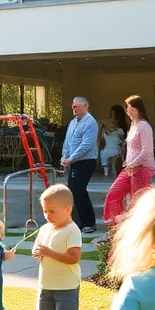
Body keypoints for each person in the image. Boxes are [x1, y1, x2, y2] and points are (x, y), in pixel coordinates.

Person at [22, 184, 84, 310]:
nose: (47, 215)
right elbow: (38, 248)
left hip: (66, 285)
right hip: (46, 283)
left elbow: (74, 258)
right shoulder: (45, 229)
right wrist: (37, 252)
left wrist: (48, 252)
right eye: (45, 211)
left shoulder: (72, 230)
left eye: (52, 211)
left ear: (67, 209)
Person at [104, 95, 155, 226]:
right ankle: (116, 225)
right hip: (130, 168)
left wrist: (134, 163)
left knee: (137, 200)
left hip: (142, 168)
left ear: (138, 109)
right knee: (114, 193)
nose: (128, 110)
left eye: (131, 107)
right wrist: (128, 162)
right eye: (127, 107)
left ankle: (139, 227)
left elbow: (147, 150)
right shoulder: (133, 125)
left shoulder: (144, 126)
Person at [60, 96, 100, 233]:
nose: (74, 109)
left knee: (78, 190)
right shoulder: (73, 123)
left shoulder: (90, 123)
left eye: (76, 106)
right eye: (73, 107)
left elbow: (86, 144)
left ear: (85, 106)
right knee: (72, 191)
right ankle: (77, 222)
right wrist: (65, 157)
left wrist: (71, 158)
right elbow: (68, 141)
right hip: (73, 161)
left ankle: (89, 222)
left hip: (85, 162)